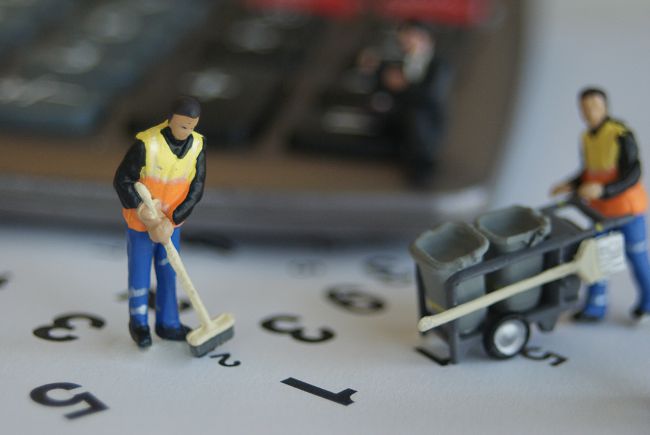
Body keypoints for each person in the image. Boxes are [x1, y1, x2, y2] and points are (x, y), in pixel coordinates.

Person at [551, 87, 650, 321]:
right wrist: (571, 184)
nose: (590, 112)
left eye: (595, 106)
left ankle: (648, 301)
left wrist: (605, 189)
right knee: (595, 256)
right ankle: (595, 306)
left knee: (636, 256)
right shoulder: (585, 138)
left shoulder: (620, 134)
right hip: (601, 213)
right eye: (585, 108)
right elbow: (589, 172)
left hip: (627, 211)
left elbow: (633, 172)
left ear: (605, 106)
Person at [114, 96, 206, 347]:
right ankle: (139, 324)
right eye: (183, 125)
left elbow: (196, 189)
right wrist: (143, 210)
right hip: (140, 225)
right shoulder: (147, 144)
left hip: (171, 226)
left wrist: (173, 219)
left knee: (169, 273)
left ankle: (168, 323)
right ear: (171, 119)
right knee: (140, 274)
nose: (187, 131)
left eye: (192, 125)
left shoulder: (197, 146)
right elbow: (122, 180)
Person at [381, 20, 452, 187]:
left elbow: (430, 95)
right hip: (400, 115)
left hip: (425, 119)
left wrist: (404, 86)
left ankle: (421, 172)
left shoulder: (438, 64)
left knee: (416, 119)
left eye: (410, 37)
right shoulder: (402, 63)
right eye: (403, 39)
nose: (406, 42)